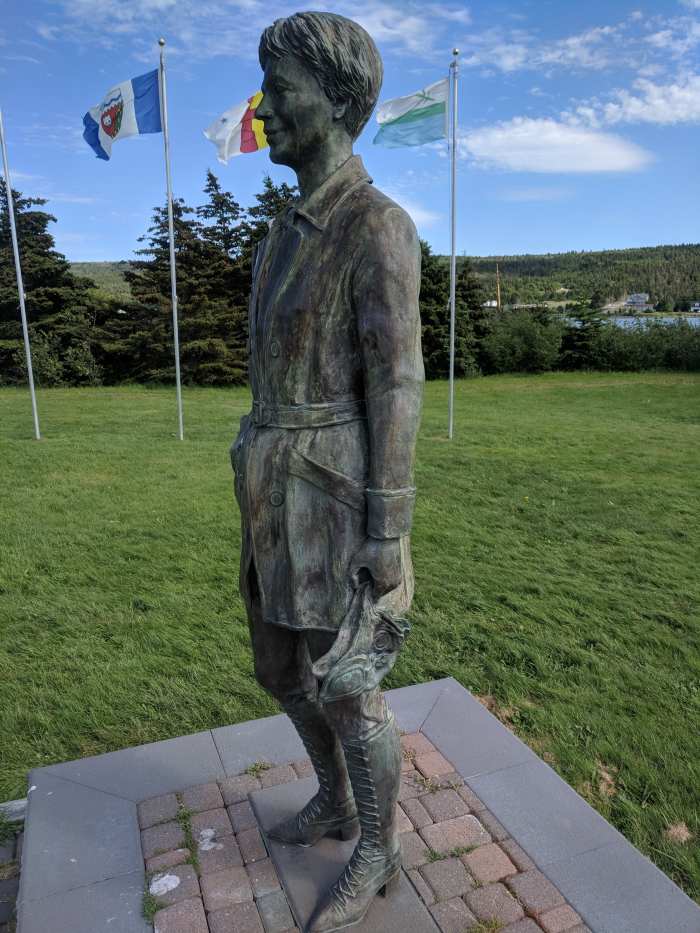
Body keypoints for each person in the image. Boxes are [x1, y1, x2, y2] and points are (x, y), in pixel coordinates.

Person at [230, 11, 424, 931]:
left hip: (337, 488)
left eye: (282, 90)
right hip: (272, 479)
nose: (264, 108)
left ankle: (380, 845)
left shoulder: (376, 226)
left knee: (347, 681)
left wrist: (388, 525)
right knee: (279, 664)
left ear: (340, 102)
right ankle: (337, 800)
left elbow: (396, 380)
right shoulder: (280, 234)